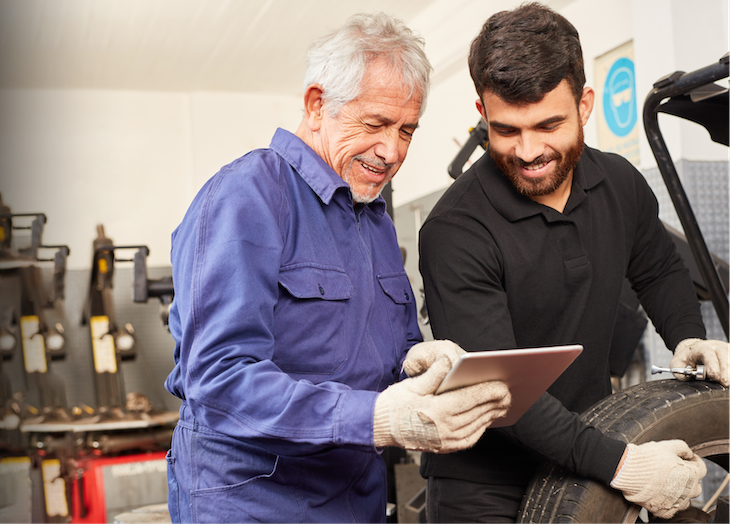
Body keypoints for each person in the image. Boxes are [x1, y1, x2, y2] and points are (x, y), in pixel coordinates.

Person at [163, 13, 512, 524]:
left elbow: (381, 355)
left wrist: (416, 361)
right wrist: (379, 417)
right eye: (374, 124)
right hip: (253, 503)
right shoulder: (248, 196)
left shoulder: (372, 218)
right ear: (316, 104)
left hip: (354, 499)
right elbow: (219, 379)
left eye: (406, 130)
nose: (391, 151)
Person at [417, 3, 729, 522]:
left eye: (548, 124)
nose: (528, 150)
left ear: (585, 103)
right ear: (482, 113)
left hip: (586, 453)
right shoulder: (455, 230)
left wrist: (687, 337)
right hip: (485, 484)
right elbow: (502, 391)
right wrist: (624, 464)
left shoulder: (621, 183)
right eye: (506, 129)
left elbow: (657, 268)